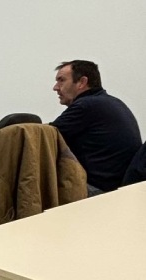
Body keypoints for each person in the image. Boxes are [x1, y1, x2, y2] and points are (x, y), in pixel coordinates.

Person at [49, 60, 141, 195]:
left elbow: (43, 137)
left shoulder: (86, 105)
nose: (55, 87)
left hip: (99, 191)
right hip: (120, 190)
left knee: (30, 185)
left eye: (61, 80)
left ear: (82, 82)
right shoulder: (110, 103)